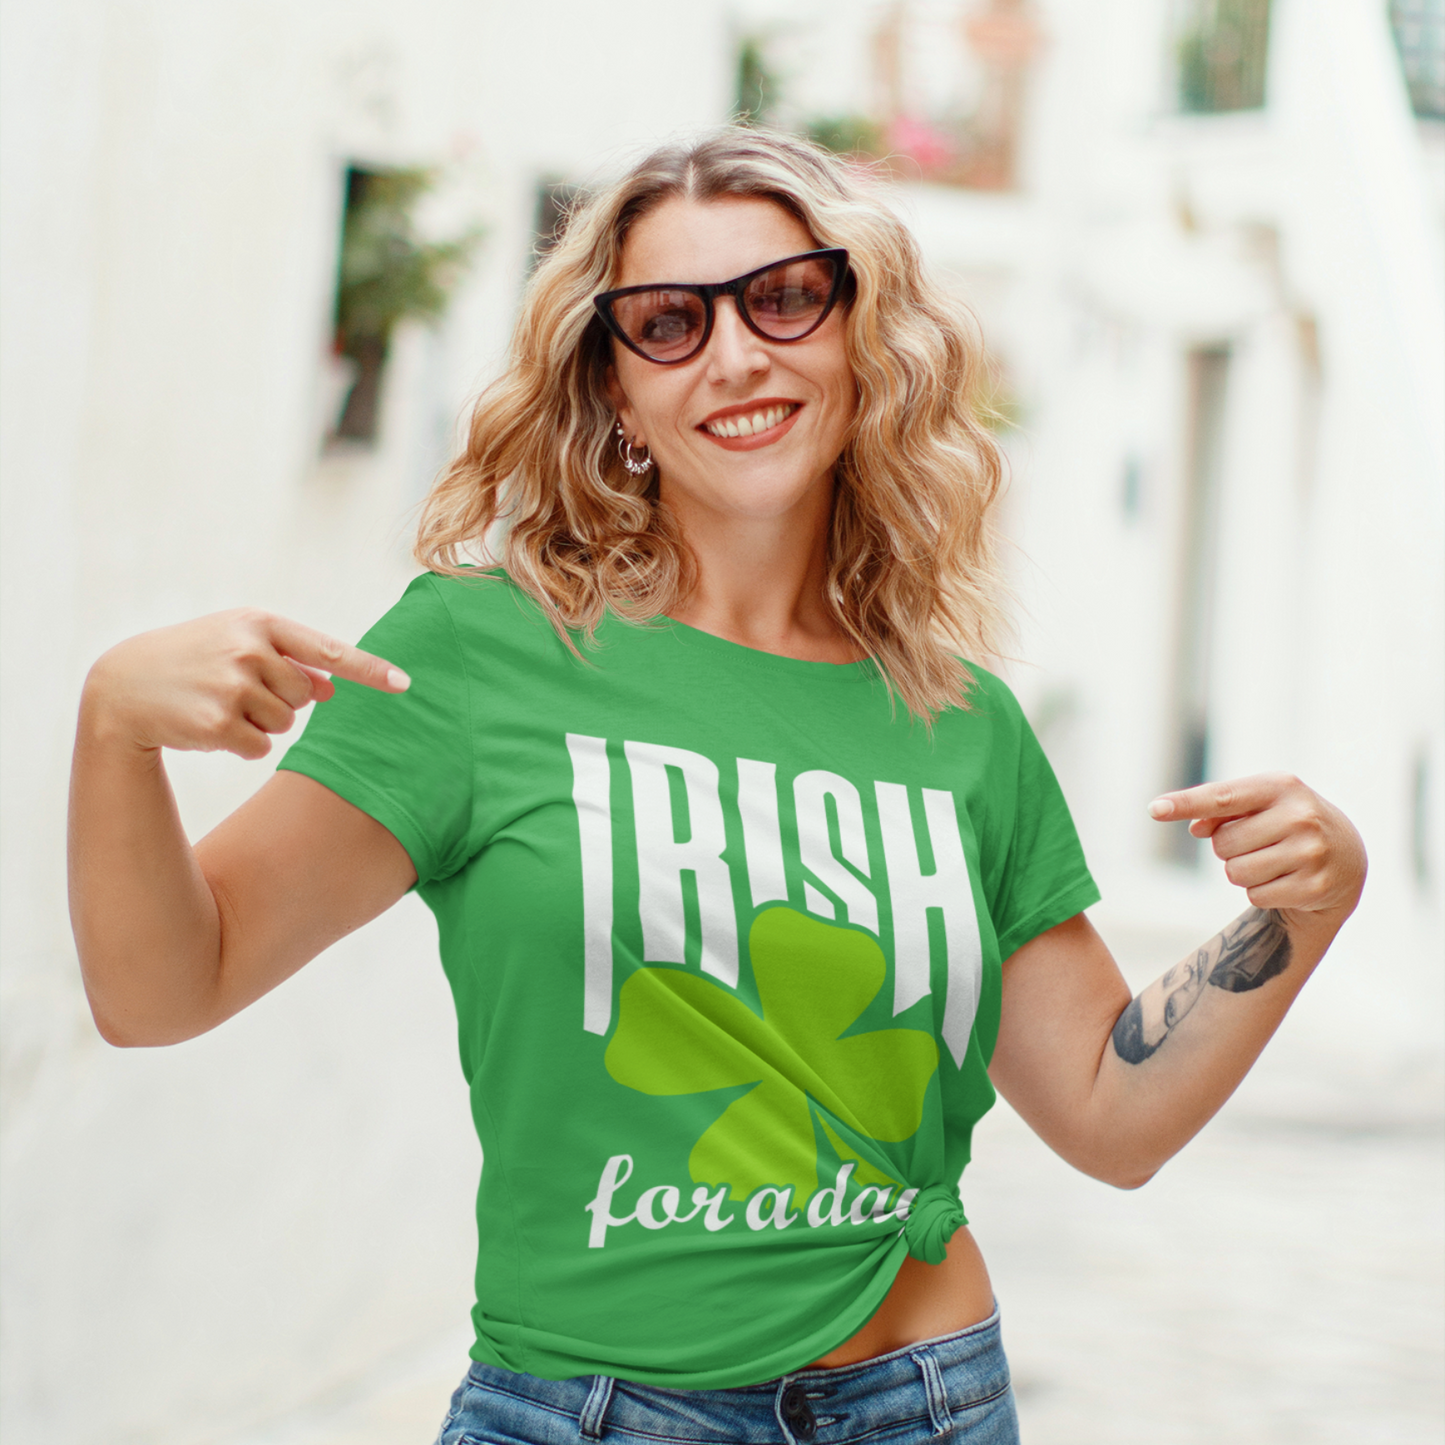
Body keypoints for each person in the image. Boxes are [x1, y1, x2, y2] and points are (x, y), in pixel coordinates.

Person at [67, 128, 1366, 1445]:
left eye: (785, 296)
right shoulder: (476, 657)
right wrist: (114, 727)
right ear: (614, 391)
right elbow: (166, 988)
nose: (736, 354)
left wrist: (1307, 907)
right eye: (668, 323)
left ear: (862, 335)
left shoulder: (957, 721)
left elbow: (1109, 1114)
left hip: (923, 1401)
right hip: (589, 1412)